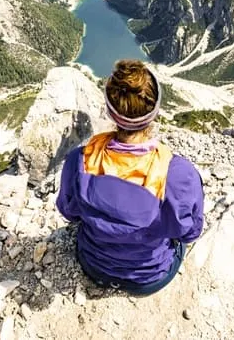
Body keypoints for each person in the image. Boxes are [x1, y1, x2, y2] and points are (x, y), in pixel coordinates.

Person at [56, 59, 205, 296]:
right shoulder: (177, 175)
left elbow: (69, 213)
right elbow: (190, 232)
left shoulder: (80, 162)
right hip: (150, 278)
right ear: (154, 113)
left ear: (110, 111)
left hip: (94, 266)